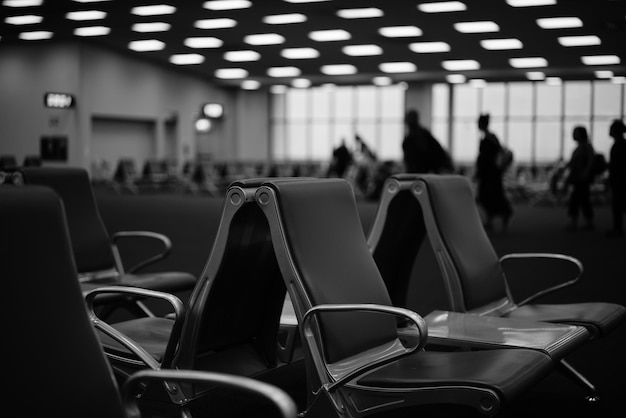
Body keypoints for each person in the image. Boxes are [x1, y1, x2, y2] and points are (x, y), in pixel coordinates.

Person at [474, 113, 513, 231]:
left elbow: (485, 159)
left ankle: (499, 216)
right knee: (492, 196)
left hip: (489, 174)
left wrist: (479, 172)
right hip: (493, 173)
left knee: (487, 196)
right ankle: (498, 216)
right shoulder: (491, 138)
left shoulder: (488, 139)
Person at [402, 108, 453, 174]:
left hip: (421, 171)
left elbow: (430, 152)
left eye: (410, 118)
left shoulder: (422, 135)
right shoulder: (411, 136)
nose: (408, 121)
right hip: (416, 171)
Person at [564, 125, 595, 230]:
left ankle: (577, 221)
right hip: (579, 177)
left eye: (575, 132)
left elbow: (590, 161)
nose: (573, 134)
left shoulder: (586, 147)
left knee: (578, 199)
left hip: (582, 177)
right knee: (581, 199)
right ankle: (585, 221)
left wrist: (585, 173)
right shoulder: (581, 147)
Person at [606, 119, 626, 238]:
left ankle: (617, 229)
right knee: (619, 204)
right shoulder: (621, 144)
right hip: (620, 179)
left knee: (618, 204)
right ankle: (617, 228)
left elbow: (618, 165)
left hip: (620, 179)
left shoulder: (619, 145)